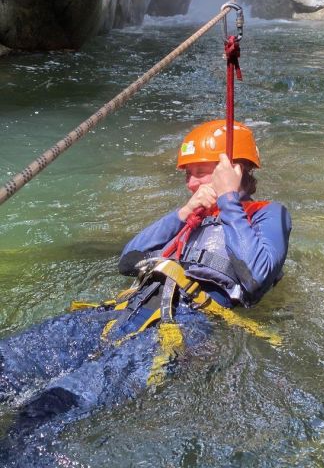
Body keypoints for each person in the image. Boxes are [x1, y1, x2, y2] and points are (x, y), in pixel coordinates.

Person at [0, 120, 291, 450]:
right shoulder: (191, 218)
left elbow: (256, 276)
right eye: (187, 174)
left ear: (233, 170)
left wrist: (227, 199)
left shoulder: (269, 215)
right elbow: (128, 261)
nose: (190, 183)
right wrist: (182, 214)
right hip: (127, 309)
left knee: (43, 412)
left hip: (180, 325)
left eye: (200, 172)